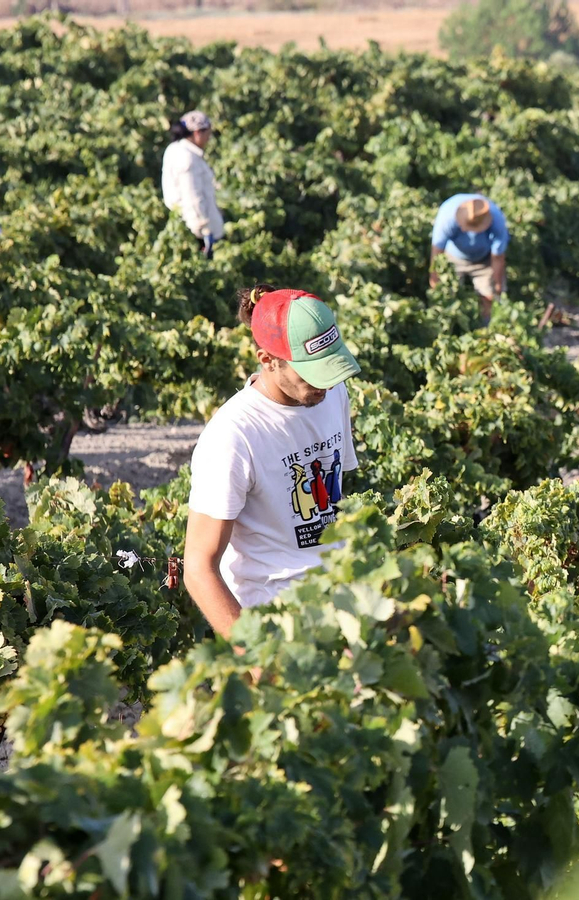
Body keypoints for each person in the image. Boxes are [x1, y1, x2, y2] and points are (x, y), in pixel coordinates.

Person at [184, 285, 362, 638]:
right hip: (275, 622)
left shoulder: (331, 391)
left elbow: (336, 496)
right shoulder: (233, 436)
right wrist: (253, 653)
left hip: (340, 604)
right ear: (267, 359)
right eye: (309, 371)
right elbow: (198, 568)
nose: (323, 384)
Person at [430, 193, 509, 320]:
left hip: (484, 260)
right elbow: (437, 251)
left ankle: (486, 330)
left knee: (489, 298)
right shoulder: (447, 216)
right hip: (453, 258)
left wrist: (497, 284)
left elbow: (498, 256)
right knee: (447, 299)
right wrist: (434, 280)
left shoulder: (496, 219)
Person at [162, 110, 224, 259]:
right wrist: (204, 232)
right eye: (207, 135)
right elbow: (193, 197)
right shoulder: (187, 158)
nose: (208, 140)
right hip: (197, 234)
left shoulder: (177, 150)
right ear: (197, 133)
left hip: (190, 228)